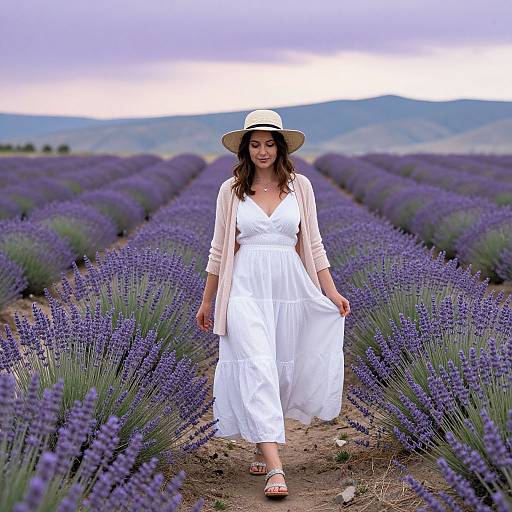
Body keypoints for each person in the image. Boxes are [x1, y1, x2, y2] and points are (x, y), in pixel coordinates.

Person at [196, 109, 350, 500]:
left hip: (289, 286)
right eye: (255, 143)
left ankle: (263, 442)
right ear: (245, 149)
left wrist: (330, 291)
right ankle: (275, 466)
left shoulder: (301, 187)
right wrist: (207, 300)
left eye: (268, 143)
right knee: (258, 365)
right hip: (244, 288)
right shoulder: (230, 191)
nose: (262, 151)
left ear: (280, 148)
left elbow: (312, 243)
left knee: (280, 368)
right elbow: (219, 249)